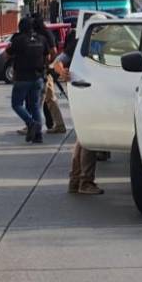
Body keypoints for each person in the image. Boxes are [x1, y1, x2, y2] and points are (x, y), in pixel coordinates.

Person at [53, 38, 103, 194]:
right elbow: (57, 63)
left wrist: (62, 71)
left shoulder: (83, 42)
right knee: (88, 136)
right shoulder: (80, 43)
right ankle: (85, 182)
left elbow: (57, 63)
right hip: (88, 93)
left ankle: (76, 181)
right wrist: (63, 71)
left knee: (82, 138)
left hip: (88, 92)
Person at [9, 17, 49, 143]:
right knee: (35, 106)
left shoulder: (18, 40)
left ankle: (31, 123)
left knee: (16, 104)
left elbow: (7, 54)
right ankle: (38, 136)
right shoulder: (42, 39)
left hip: (22, 78)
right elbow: (48, 56)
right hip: (38, 77)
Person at [34, 16, 66, 135]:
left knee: (39, 99)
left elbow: (53, 52)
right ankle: (59, 124)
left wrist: (48, 66)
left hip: (45, 71)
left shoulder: (45, 35)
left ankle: (32, 125)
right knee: (49, 99)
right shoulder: (47, 33)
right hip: (46, 70)